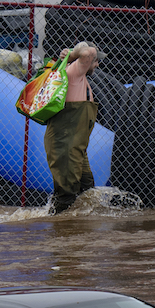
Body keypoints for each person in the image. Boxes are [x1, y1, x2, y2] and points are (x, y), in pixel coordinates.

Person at [44, 42, 106, 214]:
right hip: (65, 143)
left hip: (76, 145)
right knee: (66, 194)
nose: (97, 64)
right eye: (95, 61)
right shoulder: (75, 70)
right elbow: (87, 51)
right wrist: (72, 54)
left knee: (87, 187)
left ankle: (79, 230)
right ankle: (59, 230)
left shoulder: (80, 76)